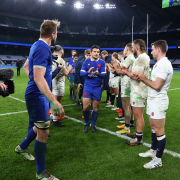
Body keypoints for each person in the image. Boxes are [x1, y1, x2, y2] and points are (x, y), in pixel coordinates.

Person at [15, 19, 64, 180]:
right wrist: (53, 100)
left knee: (39, 127)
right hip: (37, 95)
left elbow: (26, 67)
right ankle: (41, 173)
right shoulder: (43, 48)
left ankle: (22, 147)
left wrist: (35, 81)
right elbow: (38, 77)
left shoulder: (37, 45)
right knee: (43, 132)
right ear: (53, 34)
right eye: (56, 33)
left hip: (37, 94)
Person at [133, 40, 173, 169]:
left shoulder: (164, 65)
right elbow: (153, 83)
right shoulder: (159, 64)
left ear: (159, 50)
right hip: (152, 100)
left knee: (159, 130)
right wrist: (143, 78)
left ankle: (158, 160)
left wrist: (143, 78)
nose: (151, 51)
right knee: (153, 127)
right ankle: (153, 150)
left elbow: (157, 86)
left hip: (158, 101)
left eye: (153, 49)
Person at [114, 39, 150, 145]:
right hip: (137, 90)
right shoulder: (141, 57)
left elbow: (136, 76)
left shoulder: (141, 58)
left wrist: (125, 71)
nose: (132, 48)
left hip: (139, 91)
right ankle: (138, 134)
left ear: (137, 48)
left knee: (138, 115)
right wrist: (127, 71)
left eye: (133, 47)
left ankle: (138, 139)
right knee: (138, 115)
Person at [80, 45, 106, 133]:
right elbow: (81, 74)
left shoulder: (102, 63)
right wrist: (89, 72)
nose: (96, 53)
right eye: (94, 51)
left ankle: (93, 125)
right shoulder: (86, 62)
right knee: (86, 106)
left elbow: (104, 75)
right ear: (91, 53)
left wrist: (97, 74)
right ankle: (87, 123)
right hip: (87, 87)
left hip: (97, 88)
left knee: (95, 108)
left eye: (98, 52)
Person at [115, 44, 136, 134]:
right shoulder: (131, 58)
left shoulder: (129, 58)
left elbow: (120, 71)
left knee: (126, 106)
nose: (123, 50)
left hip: (126, 84)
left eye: (124, 48)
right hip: (129, 83)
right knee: (128, 106)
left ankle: (127, 127)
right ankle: (130, 123)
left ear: (127, 49)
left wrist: (116, 66)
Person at [51, 45, 72, 126]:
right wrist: (69, 68)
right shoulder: (61, 60)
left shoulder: (51, 58)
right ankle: (55, 120)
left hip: (52, 81)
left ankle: (53, 117)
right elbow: (65, 73)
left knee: (53, 101)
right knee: (57, 102)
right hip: (59, 82)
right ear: (61, 51)